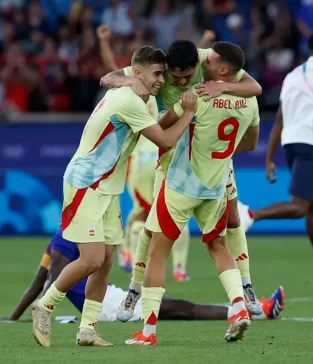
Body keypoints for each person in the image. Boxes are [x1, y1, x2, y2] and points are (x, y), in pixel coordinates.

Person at [31, 46, 198, 348]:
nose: (161, 80)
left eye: (163, 73)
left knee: (106, 260)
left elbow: (111, 78)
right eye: (156, 73)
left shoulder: (132, 94)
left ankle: (87, 330)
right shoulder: (128, 101)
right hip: (86, 184)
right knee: (92, 258)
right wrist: (188, 113)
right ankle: (45, 305)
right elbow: (164, 139)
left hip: (108, 187)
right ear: (138, 73)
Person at [100, 38, 263, 315]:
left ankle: (247, 288)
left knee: (233, 220)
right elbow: (107, 78)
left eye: (190, 75)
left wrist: (223, 86)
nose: (185, 81)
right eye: (179, 76)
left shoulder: (206, 62)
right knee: (152, 230)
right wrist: (133, 82)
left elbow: (254, 87)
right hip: (174, 154)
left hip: (212, 157)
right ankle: (134, 290)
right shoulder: (159, 69)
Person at [239, 32, 313, 295]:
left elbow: (280, 118)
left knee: (312, 207)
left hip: (290, 144)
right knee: (300, 208)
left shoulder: (292, 75)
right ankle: (249, 215)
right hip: (311, 144)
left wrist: (269, 158)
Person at [1, 229, 285, 324]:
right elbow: (48, 281)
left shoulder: (59, 236)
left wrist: (14, 318)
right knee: (179, 309)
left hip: (109, 297)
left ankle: (248, 311)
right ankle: (256, 312)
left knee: (176, 306)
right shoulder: (66, 235)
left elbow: (39, 282)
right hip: (104, 310)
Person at [97, 25, 191, 281]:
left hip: (140, 161)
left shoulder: (135, 89)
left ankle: (127, 253)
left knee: (141, 211)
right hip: (163, 157)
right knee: (173, 213)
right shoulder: (160, 91)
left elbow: (110, 72)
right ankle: (179, 268)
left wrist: (104, 42)